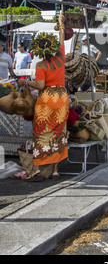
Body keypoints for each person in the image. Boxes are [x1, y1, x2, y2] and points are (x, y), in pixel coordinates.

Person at [17, 14, 69, 181]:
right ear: (52, 48)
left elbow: (40, 85)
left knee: (40, 133)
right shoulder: (60, 57)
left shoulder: (40, 65)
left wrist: (24, 82)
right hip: (61, 97)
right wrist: (61, 23)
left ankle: (37, 168)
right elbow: (61, 38)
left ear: (38, 50)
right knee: (58, 133)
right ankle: (55, 170)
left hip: (47, 99)